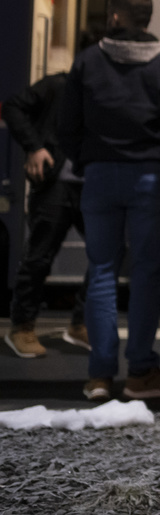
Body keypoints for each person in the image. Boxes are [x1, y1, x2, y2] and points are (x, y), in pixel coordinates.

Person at [59, 0, 160, 402]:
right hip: (150, 176)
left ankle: (99, 376)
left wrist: (85, 160)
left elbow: (66, 123)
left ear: (115, 17)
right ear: (147, 18)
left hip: (99, 176)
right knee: (146, 273)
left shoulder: (88, 60)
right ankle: (141, 372)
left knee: (101, 272)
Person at [2, 30, 100, 358]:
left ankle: (80, 324)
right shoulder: (59, 85)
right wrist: (34, 147)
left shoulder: (107, 92)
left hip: (94, 185)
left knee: (107, 256)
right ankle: (22, 328)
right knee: (39, 256)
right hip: (57, 183)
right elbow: (13, 108)